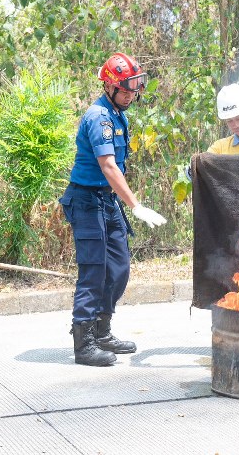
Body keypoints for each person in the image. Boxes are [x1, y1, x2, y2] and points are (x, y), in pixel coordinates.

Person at [59, 52, 167, 367]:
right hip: (87, 200)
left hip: (107, 201)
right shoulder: (98, 117)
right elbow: (108, 165)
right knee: (94, 271)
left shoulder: (119, 114)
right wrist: (135, 205)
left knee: (118, 269)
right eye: (127, 88)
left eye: (136, 88)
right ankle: (84, 343)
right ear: (109, 86)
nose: (133, 94)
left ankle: (103, 331)